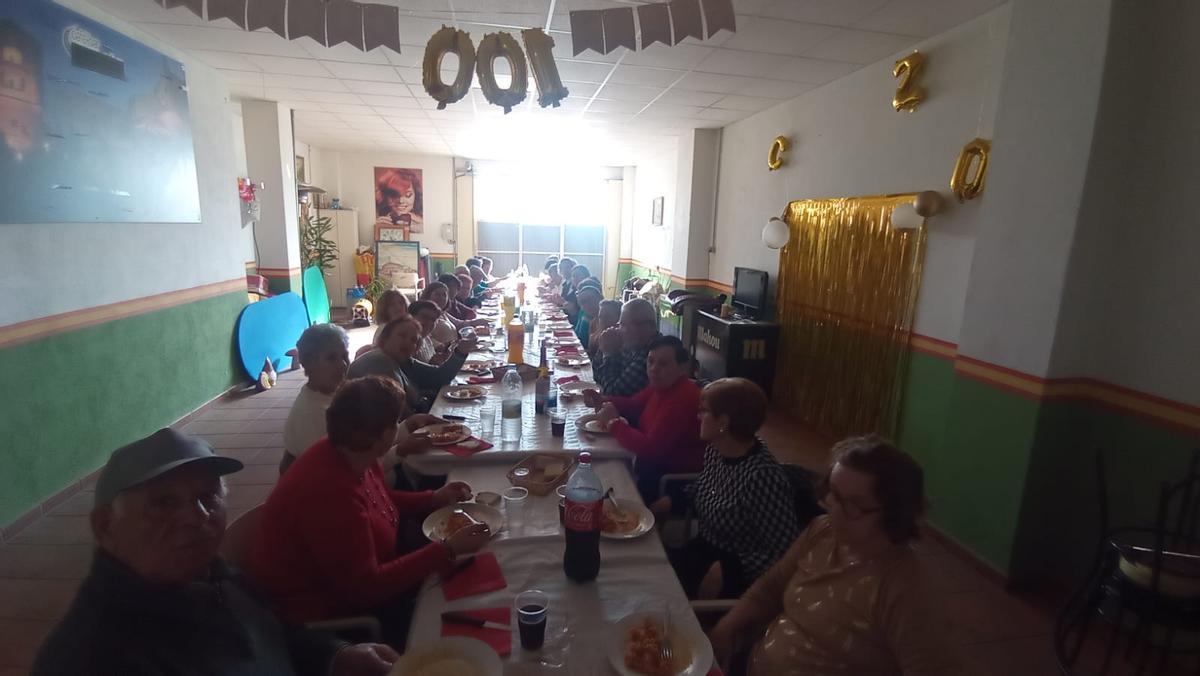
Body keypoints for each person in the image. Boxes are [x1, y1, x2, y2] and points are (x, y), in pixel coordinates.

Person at [33, 428, 397, 676]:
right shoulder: (91, 656)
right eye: (162, 504)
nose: (196, 518)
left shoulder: (216, 576)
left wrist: (334, 655)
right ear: (104, 526)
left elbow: (273, 635)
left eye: (207, 497)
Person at [250, 378, 490, 646]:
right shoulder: (328, 493)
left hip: (379, 564)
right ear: (383, 435)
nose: (400, 429)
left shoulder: (348, 452)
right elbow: (366, 587)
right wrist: (445, 550)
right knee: (458, 611)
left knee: (478, 559)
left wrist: (433, 498)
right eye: (395, 423)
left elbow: (378, 499)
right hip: (328, 614)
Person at [708, 436, 959, 676]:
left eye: (852, 505)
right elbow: (769, 588)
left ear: (894, 514)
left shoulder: (905, 587)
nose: (831, 509)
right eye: (833, 492)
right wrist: (726, 627)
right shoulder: (823, 531)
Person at [652, 378, 801, 599]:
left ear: (723, 422)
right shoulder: (716, 449)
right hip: (703, 550)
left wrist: (731, 568)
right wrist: (671, 500)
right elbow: (705, 487)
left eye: (703, 412)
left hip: (736, 577)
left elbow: (784, 554)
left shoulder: (763, 478)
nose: (698, 417)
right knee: (646, 573)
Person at [585, 335, 703, 501]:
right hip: (648, 466)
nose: (653, 368)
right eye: (650, 361)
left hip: (670, 481)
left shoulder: (683, 397)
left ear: (682, 367)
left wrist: (613, 423)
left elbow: (650, 450)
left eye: (663, 364)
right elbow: (633, 404)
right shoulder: (662, 385)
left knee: (597, 482)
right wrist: (602, 400)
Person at [348, 316, 474, 413]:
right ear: (385, 337)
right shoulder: (378, 361)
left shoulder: (403, 361)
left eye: (414, 340)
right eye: (402, 335)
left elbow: (439, 377)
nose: (408, 342)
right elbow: (399, 413)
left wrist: (461, 352)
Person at [593, 297, 659, 397]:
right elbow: (597, 374)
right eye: (621, 324)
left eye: (627, 325)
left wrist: (608, 354)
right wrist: (605, 345)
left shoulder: (652, 354)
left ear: (650, 326)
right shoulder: (632, 345)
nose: (621, 330)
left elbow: (612, 394)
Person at [574, 282, 603, 350]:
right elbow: (590, 350)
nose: (586, 305)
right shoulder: (593, 322)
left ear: (600, 298)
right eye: (582, 303)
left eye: (590, 299)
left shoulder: (608, 320)